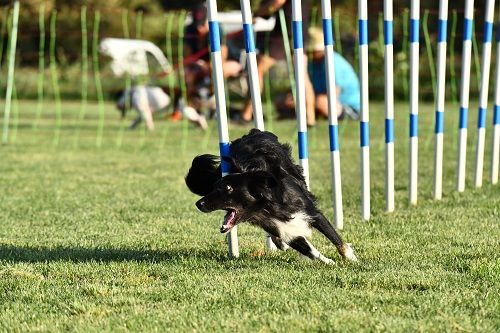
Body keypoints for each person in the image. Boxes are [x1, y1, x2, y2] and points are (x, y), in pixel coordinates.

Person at [239, 0, 316, 126]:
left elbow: (277, 2)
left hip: (285, 31)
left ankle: (246, 115)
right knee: (302, 76)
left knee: (258, 69)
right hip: (301, 31)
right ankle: (310, 117)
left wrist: (257, 13)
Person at [177, 4, 242, 120]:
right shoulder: (189, 29)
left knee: (216, 70)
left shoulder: (216, 28)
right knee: (184, 72)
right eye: (197, 25)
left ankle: (215, 105)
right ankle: (191, 106)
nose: (199, 29)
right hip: (201, 65)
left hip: (230, 62)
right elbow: (187, 56)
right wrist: (197, 65)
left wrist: (205, 66)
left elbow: (222, 57)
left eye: (202, 25)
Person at [307, 27, 360, 120]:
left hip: (347, 105)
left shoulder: (334, 62)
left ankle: (345, 115)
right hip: (322, 99)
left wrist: (310, 100)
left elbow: (333, 94)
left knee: (320, 101)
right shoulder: (313, 64)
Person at [115, 85, 207, 131]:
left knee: (187, 113)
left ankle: (200, 120)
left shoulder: (136, 95)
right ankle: (200, 122)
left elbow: (144, 113)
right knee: (186, 113)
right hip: (169, 97)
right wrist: (132, 127)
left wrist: (150, 128)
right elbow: (142, 114)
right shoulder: (136, 92)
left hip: (173, 97)